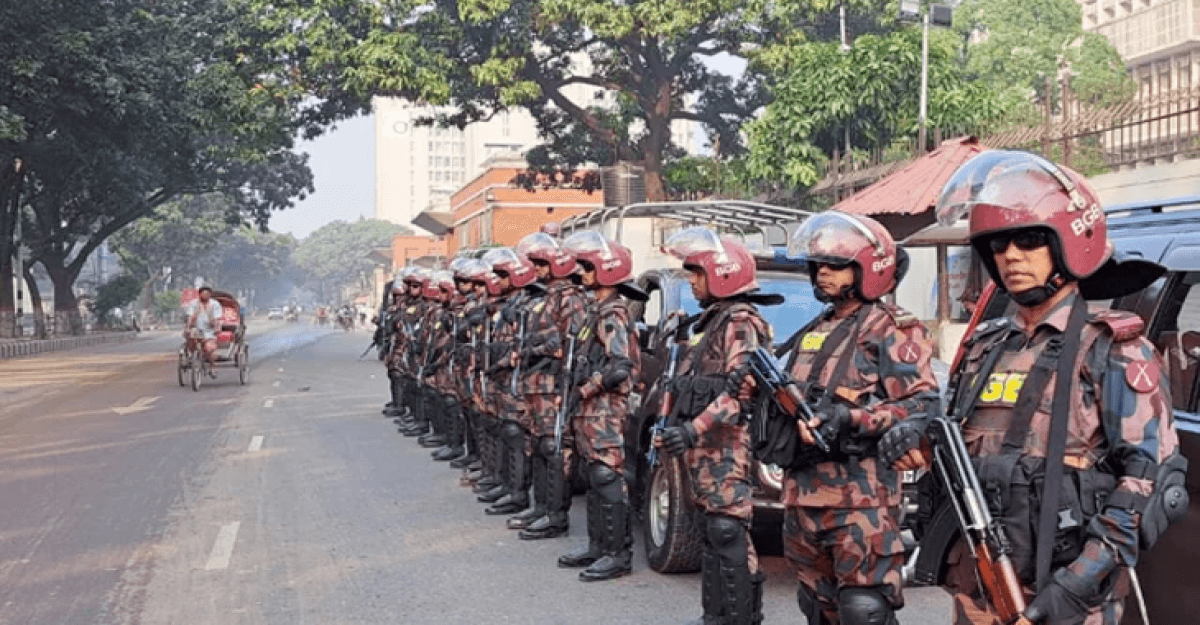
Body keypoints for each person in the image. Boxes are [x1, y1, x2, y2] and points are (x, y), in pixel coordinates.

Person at [928, 151, 1181, 625]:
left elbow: (1147, 484)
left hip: (1066, 602)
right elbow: (958, 450)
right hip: (979, 592)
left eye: (1028, 241)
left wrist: (1071, 589)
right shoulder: (987, 348)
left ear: (1069, 243)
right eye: (999, 246)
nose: (1011, 257)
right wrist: (917, 437)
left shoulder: (1113, 350)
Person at [778, 211, 940, 625]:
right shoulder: (813, 330)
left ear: (868, 267)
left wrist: (852, 419)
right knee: (817, 606)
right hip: (802, 494)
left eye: (836, 265)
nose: (823, 273)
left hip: (860, 502)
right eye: (818, 265)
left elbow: (922, 404)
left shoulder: (890, 328)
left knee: (864, 610)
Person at [655, 228, 776, 624]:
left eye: (698, 274)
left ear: (722, 274)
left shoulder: (740, 322)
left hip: (726, 449)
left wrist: (692, 430)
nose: (691, 282)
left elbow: (742, 390)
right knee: (711, 533)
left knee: (728, 533)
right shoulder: (710, 322)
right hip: (704, 451)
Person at [557, 230, 643, 582]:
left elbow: (620, 364)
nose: (581, 272)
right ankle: (598, 545)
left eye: (588, 266)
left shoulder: (613, 313)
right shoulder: (596, 312)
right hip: (589, 412)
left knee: (608, 478)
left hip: (604, 409)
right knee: (595, 476)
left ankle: (618, 553)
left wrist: (587, 389)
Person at [511, 231, 590, 540]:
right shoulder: (546, 297)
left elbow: (569, 343)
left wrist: (536, 345)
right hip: (536, 384)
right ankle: (541, 506)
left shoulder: (571, 298)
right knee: (537, 446)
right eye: (536, 264)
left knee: (554, 448)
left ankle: (556, 515)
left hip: (553, 385)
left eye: (542, 264)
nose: (538, 270)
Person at [186, 286, 224, 376]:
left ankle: (212, 365)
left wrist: (216, 326)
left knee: (209, 348)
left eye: (207, 294)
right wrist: (188, 327)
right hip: (196, 328)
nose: (205, 296)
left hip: (209, 330)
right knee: (190, 341)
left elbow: (217, 319)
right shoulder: (194, 303)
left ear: (210, 295)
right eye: (203, 293)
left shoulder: (215, 304)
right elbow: (190, 317)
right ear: (200, 294)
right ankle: (193, 356)